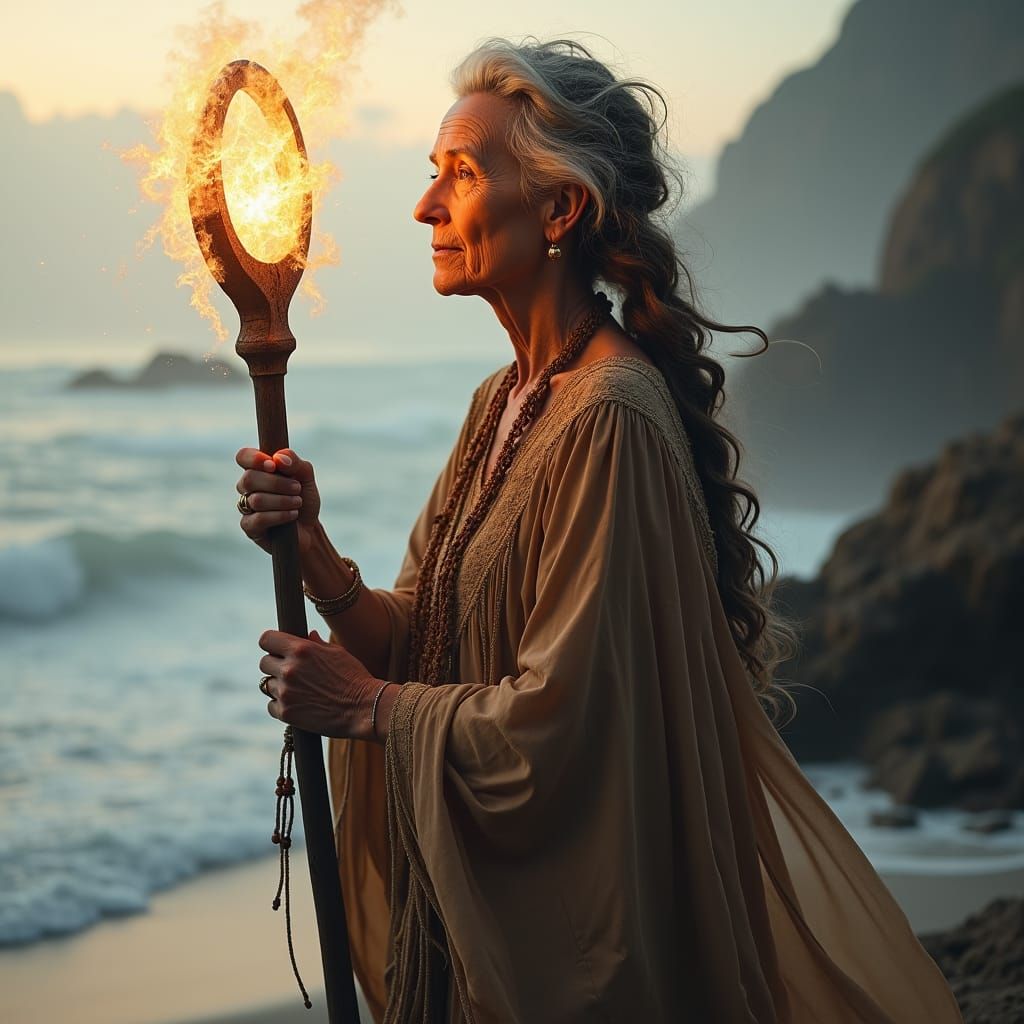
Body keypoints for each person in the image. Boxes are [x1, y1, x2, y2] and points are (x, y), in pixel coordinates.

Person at [235, 38, 964, 1024]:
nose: (425, 207)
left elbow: (564, 725)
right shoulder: (500, 401)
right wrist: (317, 555)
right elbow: (428, 643)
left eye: (462, 174)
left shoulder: (610, 414)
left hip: (588, 954)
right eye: (431, 173)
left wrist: (369, 710)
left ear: (559, 209)